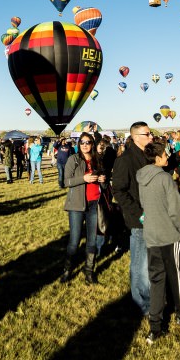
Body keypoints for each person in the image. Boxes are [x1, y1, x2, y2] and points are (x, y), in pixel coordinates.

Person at [137, 138, 180, 344]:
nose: (167, 157)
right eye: (165, 154)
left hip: (151, 235)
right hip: (168, 234)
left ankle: (155, 325)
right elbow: (176, 209)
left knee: (156, 280)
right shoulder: (164, 179)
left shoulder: (142, 178)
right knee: (177, 277)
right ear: (157, 158)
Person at [111, 122, 153, 317]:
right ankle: (141, 304)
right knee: (140, 263)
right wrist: (138, 213)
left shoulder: (147, 156)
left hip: (153, 215)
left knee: (150, 261)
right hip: (140, 218)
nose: (151, 137)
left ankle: (150, 297)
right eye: (148, 134)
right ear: (136, 137)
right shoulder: (125, 160)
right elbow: (118, 190)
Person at [61, 131, 108, 284]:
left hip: (94, 204)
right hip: (76, 205)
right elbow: (65, 182)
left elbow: (105, 185)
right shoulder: (73, 159)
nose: (85, 145)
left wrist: (103, 179)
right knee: (74, 241)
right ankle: (67, 270)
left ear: (92, 144)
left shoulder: (97, 159)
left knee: (92, 241)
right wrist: (84, 178)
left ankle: (89, 271)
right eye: (82, 142)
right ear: (78, 143)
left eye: (88, 142)